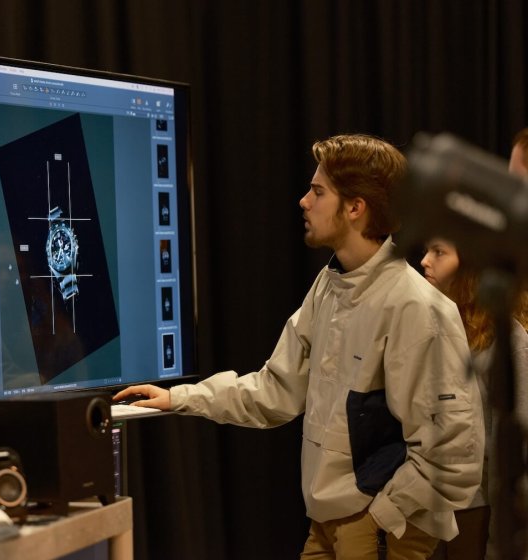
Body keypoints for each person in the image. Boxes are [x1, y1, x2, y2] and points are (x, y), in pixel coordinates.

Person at [115, 134, 485, 559]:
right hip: (330, 520)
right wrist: (179, 398)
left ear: (355, 208)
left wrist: (383, 515)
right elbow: (276, 389)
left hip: (378, 526)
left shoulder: (416, 307)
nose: (304, 202)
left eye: (317, 191)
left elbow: (455, 450)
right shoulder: (329, 286)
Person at [421, 238, 528, 560]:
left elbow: (511, 459)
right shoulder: (430, 331)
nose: (425, 261)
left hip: (473, 515)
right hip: (425, 508)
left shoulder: (508, 344)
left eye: (439, 252)